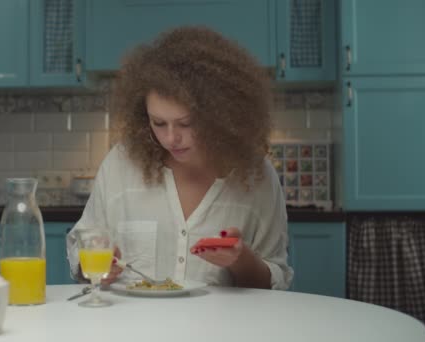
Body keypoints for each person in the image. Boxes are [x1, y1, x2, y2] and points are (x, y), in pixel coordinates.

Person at [66, 26, 293, 290]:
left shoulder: (257, 176)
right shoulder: (121, 163)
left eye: (186, 123)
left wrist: (240, 259)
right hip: (130, 328)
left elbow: (275, 283)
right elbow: (81, 248)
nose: (171, 138)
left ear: (221, 115)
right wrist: (94, 266)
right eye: (159, 123)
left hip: (224, 330)